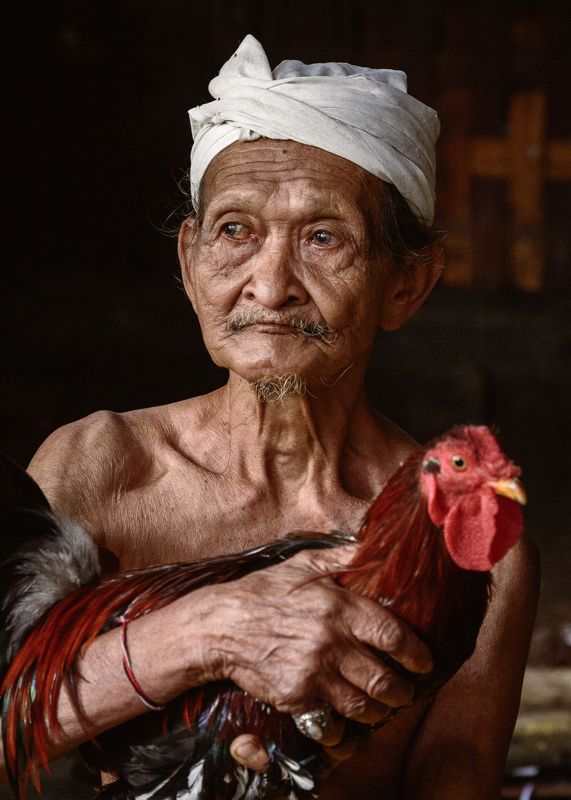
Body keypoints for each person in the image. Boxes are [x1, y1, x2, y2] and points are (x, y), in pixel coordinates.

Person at [1, 35, 539, 798]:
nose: (269, 284)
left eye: (323, 237)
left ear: (407, 285)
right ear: (190, 265)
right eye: (234, 231)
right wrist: (206, 633)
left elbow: (453, 781)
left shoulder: (469, 541)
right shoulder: (101, 468)